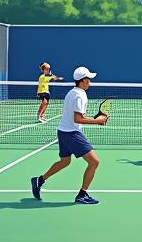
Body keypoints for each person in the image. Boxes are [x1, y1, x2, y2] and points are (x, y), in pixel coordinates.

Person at [31, 66, 107, 205]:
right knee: (94, 162)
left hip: (63, 131)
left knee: (65, 161)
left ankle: (39, 180)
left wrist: (95, 120)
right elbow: (77, 119)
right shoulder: (80, 95)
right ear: (82, 81)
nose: (90, 81)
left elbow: (77, 116)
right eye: (88, 79)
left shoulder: (72, 92)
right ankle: (82, 195)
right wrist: (97, 121)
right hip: (71, 134)